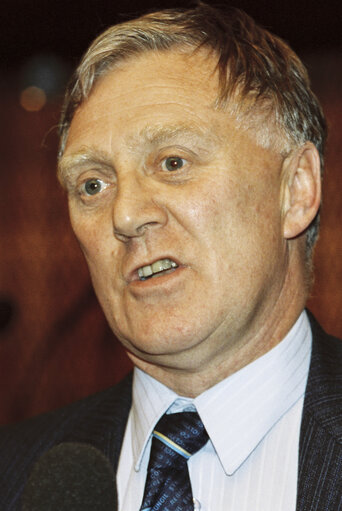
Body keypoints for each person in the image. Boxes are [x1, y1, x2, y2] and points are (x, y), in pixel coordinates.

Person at [1, 3, 341, 510]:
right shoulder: (15, 477)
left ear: (295, 190)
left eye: (173, 162)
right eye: (92, 184)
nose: (126, 214)